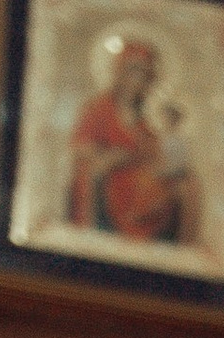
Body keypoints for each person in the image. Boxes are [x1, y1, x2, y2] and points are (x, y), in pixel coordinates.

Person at [65, 28, 194, 242]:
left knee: (186, 185)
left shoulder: (147, 120)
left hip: (142, 184)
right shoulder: (98, 109)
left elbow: (155, 153)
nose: (138, 81)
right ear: (120, 73)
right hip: (109, 181)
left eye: (145, 75)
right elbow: (80, 148)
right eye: (133, 72)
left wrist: (154, 161)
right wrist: (111, 157)